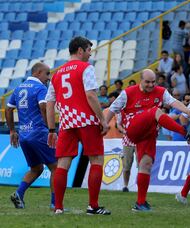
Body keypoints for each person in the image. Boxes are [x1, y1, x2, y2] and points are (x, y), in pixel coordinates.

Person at [105, 69, 190, 211]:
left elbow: (173, 102)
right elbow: (113, 108)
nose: (151, 85)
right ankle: (184, 132)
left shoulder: (161, 91)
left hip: (149, 133)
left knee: (146, 165)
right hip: (133, 129)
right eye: (147, 82)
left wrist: (188, 111)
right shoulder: (128, 93)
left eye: (153, 82)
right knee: (156, 111)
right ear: (141, 80)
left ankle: (140, 203)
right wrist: (104, 124)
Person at [46, 36, 111, 215]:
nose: (90, 55)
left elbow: (49, 103)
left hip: (67, 123)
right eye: (89, 50)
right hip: (87, 121)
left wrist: (52, 129)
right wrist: (102, 120)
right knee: (96, 160)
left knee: (63, 163)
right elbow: (90, 95)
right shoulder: (86, 68)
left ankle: (58, 207)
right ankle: (93, 206)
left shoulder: (57, 73)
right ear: (80, 50)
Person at [5, 62, 57, 209]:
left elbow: (8, 110)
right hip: (39, 133)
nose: (48, 78)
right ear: (38, 72)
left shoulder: (18, 88)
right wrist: (50, 129)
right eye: (47, 74)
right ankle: (55, 203)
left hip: (24, 135)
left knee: (37, 168)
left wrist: (12, 131)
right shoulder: (40, 88)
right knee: (56, 167)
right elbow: (43, 106)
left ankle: (19, 194)